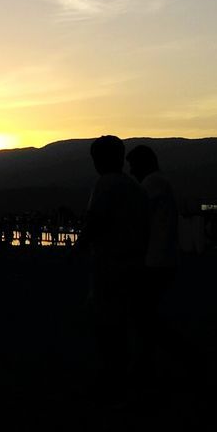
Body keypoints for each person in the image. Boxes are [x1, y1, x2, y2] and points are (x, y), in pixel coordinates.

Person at [79, 135, 150, 406]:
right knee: (124, 322)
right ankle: (123, 372)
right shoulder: (136, 187)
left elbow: (94, 222)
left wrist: (77, 249)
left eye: (97, 158)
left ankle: (110, 376)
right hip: (136, 263)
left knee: (106, 321)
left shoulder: (104, 184)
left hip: (111, 264)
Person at [127, 144, 179, 376]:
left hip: (154, 261)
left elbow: (137, 218)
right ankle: (149, 361)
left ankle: (149, 363)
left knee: (144, 316)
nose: (131, 171)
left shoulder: (150, 185)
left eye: (133, 166)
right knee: (146, 314)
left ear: (143, 164)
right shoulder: (161, 183)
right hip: (163, 258)